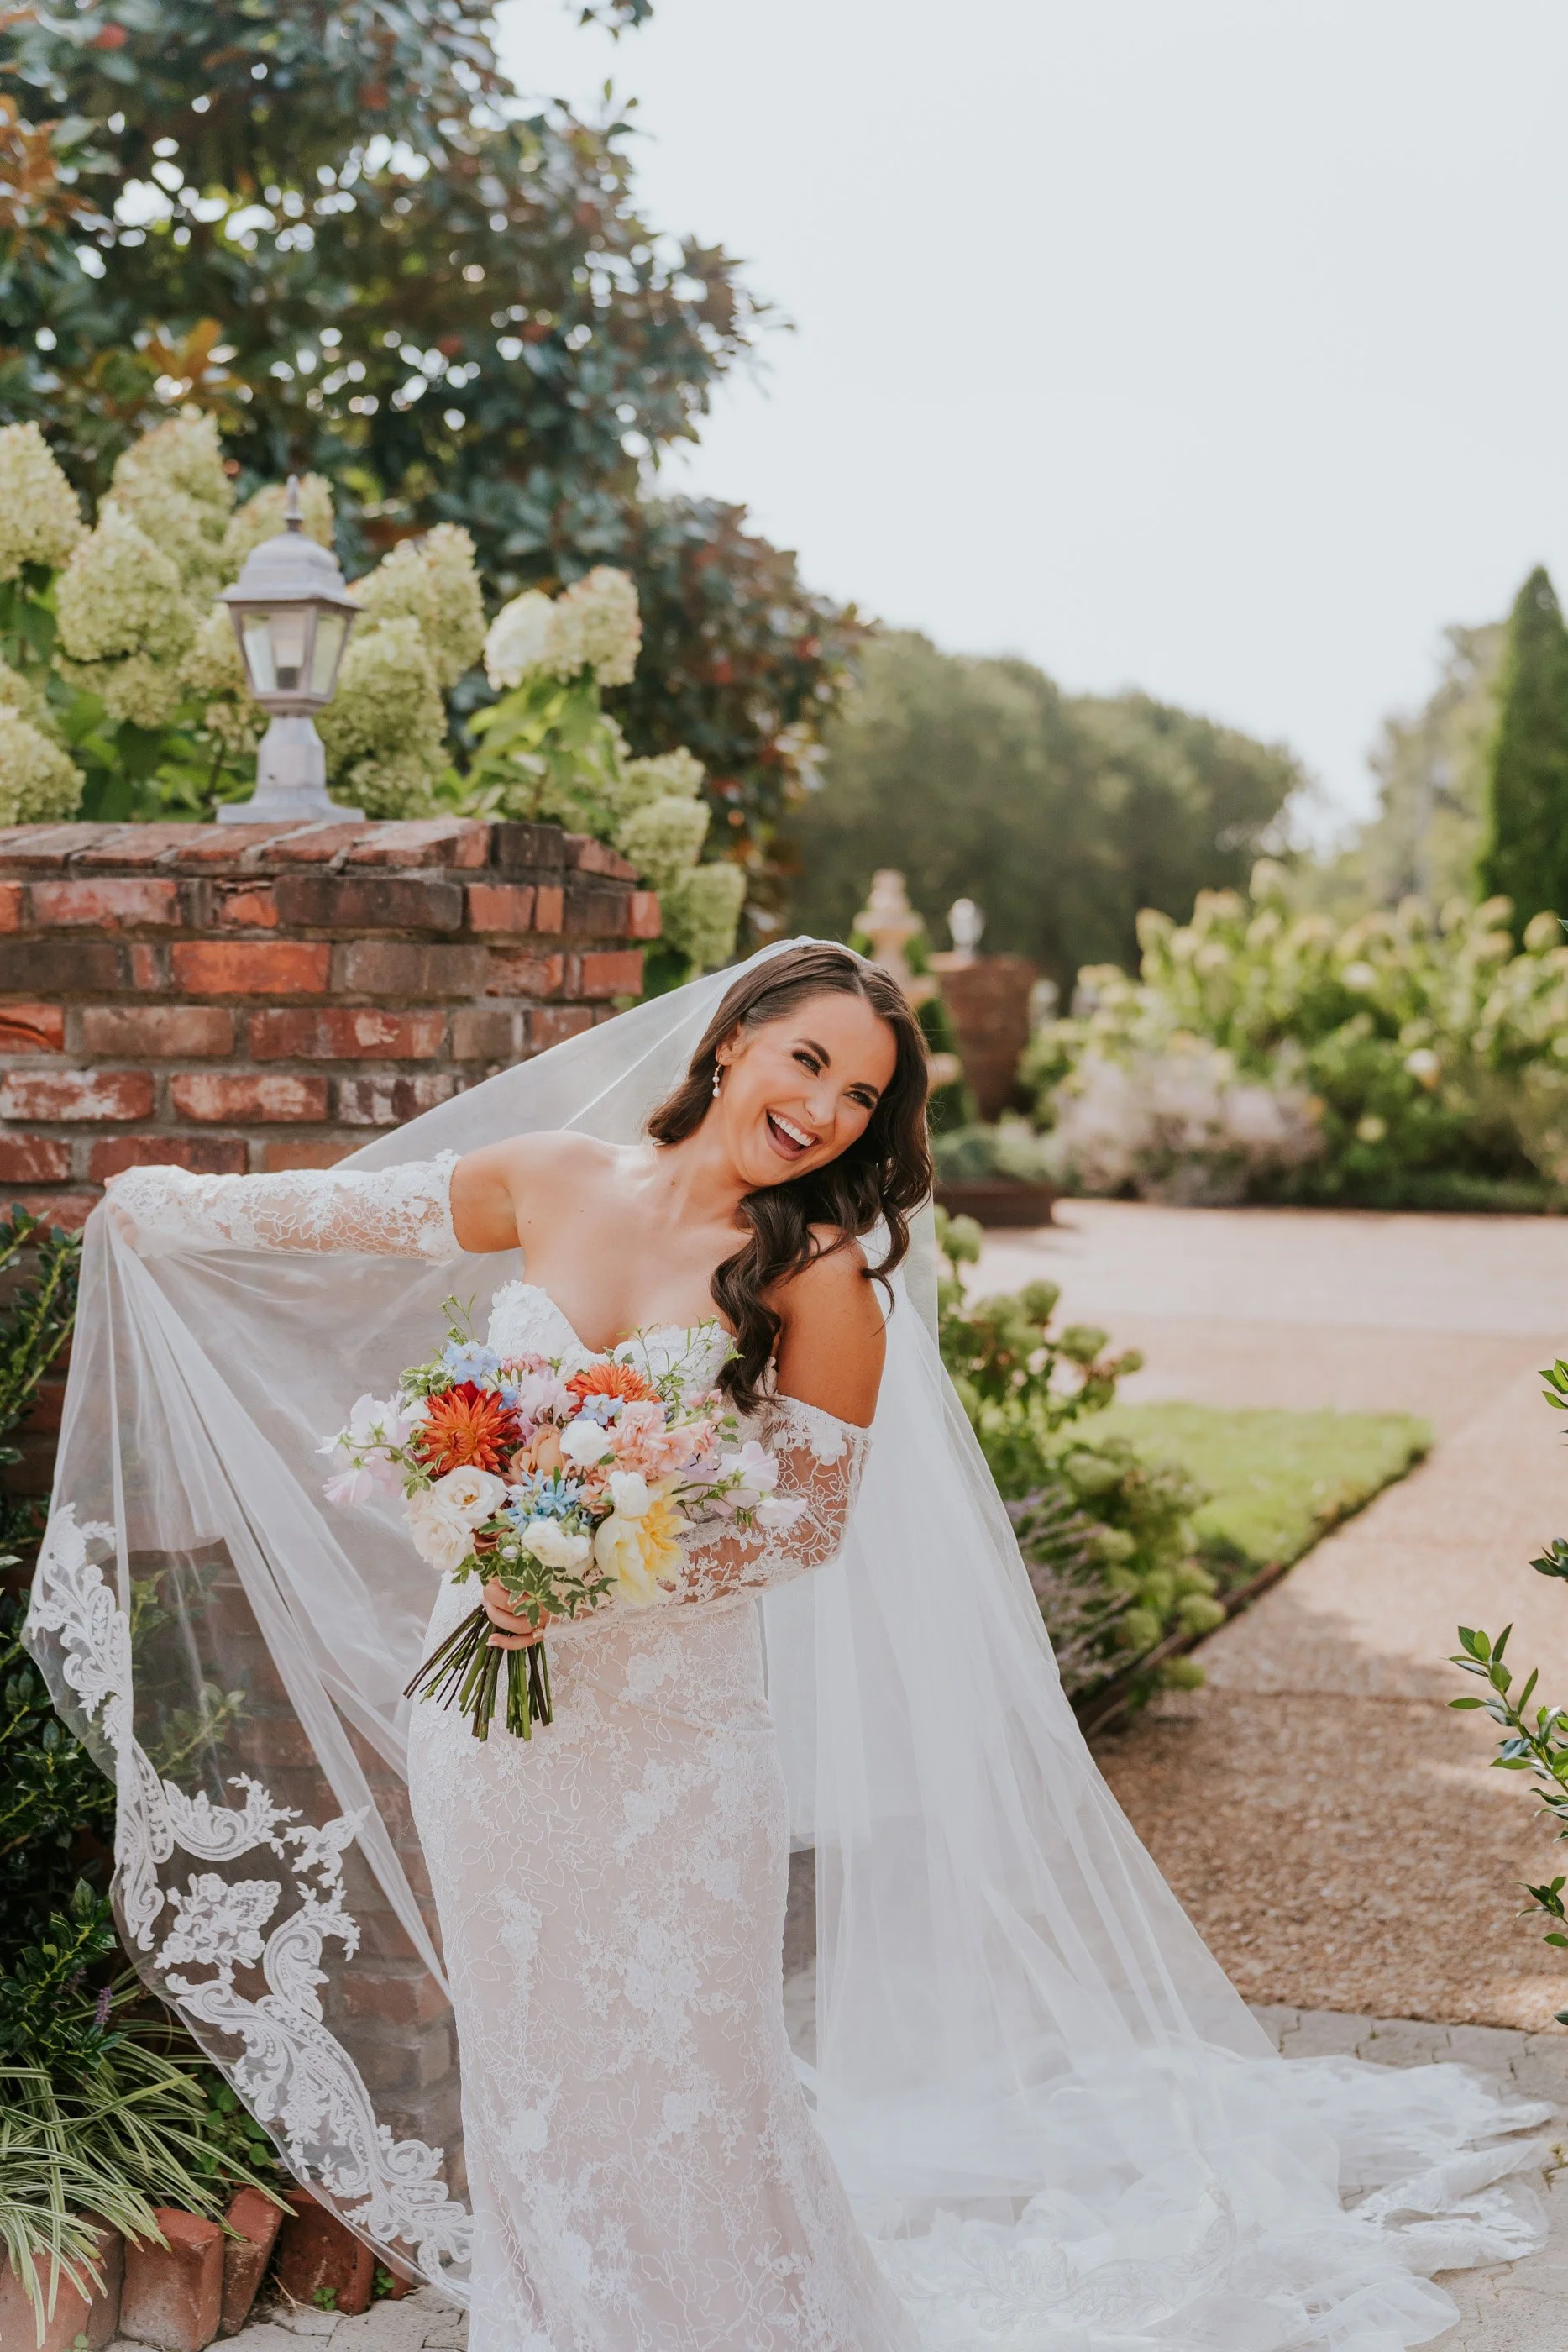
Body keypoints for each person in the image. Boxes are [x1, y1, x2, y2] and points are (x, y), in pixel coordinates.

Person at [25, 941, 1552, 2351]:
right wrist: (150, 1201)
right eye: (807, 1062)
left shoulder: (820, 1277)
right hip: (490, 1725)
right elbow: (319, 1218)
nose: (822, 1108)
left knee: (694, 2068)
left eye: (860, 1096)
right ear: (739, 1038)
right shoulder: (547, 1177)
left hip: (677, 1738)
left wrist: (595, 1567)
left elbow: (806, 1522)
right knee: (534, 2057)